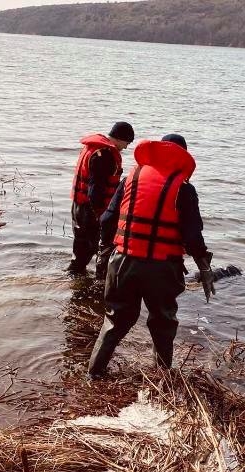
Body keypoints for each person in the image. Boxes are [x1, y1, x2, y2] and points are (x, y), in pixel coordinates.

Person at [87, 134, 216, 379]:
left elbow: (106, 220)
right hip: (162, 267)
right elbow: (193, 237)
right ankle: (163, 376)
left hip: (122, 262)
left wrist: (104, 253)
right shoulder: (184, 189)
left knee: (114, 322)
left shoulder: (131, 178)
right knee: (162, 323)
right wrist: (205, 269)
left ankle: (93, 375)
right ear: (182, 157)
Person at [67, 121, 135, 276]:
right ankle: (98, 281)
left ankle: (75, 277)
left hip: (79, 205)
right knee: (99, 246)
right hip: (91, 208)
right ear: (119, 138)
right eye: (127, 142)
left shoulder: (93, 149)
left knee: (81, 245)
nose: (126, 147)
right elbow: (95, 190)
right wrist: (100, 215)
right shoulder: (104, 155)